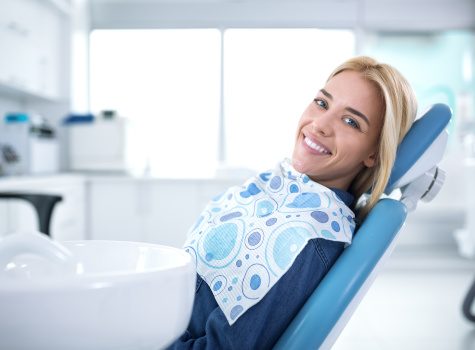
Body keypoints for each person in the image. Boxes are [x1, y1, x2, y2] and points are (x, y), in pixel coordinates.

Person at [168, 56, 417, 349]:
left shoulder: (305, 238)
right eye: (322, 103)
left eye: (350, 121)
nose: (320, 125)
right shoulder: (279, 187)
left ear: (373, 154)